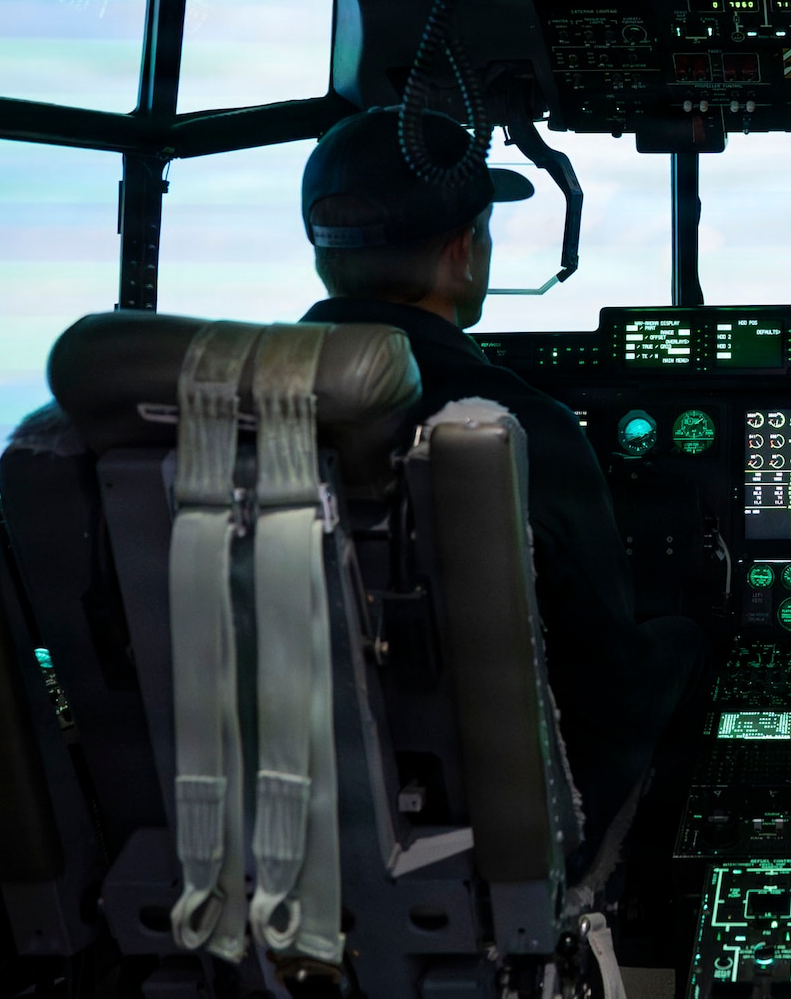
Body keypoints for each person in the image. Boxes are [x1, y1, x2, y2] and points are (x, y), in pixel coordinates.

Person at [299, 106, 702, 852]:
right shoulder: (518, 426)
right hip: (490, 839)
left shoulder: (220, 415)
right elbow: (613, 688)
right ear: (464, 252)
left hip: (283, 815)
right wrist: (690, 632)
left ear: (323, 252)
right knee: (685, 648)